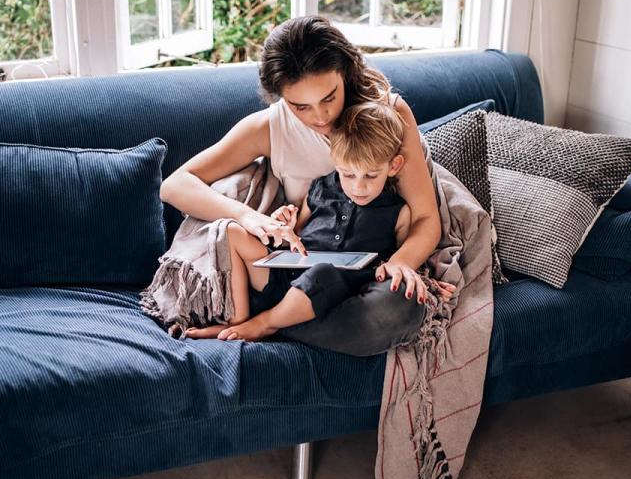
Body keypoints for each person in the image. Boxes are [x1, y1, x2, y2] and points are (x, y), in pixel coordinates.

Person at [159, 15, 455, 354]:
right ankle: (277, 319)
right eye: (300, 106)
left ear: (345, 73)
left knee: (401, 305)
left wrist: (401, 263)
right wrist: (248, 217)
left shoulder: (388, 115)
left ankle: (268, 323)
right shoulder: (269, 128)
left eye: (329, 97)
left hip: (365, 276)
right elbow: (175, 184)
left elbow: (424, 218)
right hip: (296, 275)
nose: (320, 117)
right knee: (354, 306)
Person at [185, 101, 441, 341]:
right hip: (285, 278)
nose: (358, 187)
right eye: (348, 174)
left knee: (322, 273)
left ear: (394, 166)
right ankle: (238, 319)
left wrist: (418, 275)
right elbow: (294, 235)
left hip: (330, 287)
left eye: (371, 176)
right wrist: (284, 224)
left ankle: (265, 323)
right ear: (336, 162)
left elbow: (403, 258)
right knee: (230, 230)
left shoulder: (398, 212)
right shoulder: (319, 189)